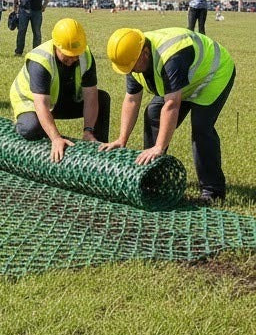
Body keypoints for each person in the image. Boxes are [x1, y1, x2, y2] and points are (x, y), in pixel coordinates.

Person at [101, 27, 236, 204]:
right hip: (185, 80)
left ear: (145, 53)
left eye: (132, 66)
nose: (130, 70)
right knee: (153, 113)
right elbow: (132, 99)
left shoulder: (171, 56)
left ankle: (213, 191)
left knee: (201, 128)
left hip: (212, 75)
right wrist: (122, 139)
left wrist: (159, 147)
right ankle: (152, 177)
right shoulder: (131, 57)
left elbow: (172, 104)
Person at [9, 17, 110, 162]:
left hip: (60, 100)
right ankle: (30, 127)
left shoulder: (85, 56)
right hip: (31, 103)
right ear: (56, 46)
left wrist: (88, 130)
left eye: (76, 54)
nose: (73, 58)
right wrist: (56, 138)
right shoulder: (41, 60)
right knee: (30, 128)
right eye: (68, 54)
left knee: (102, 98)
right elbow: (41, 104)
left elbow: (91, 96)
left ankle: (97, 147)